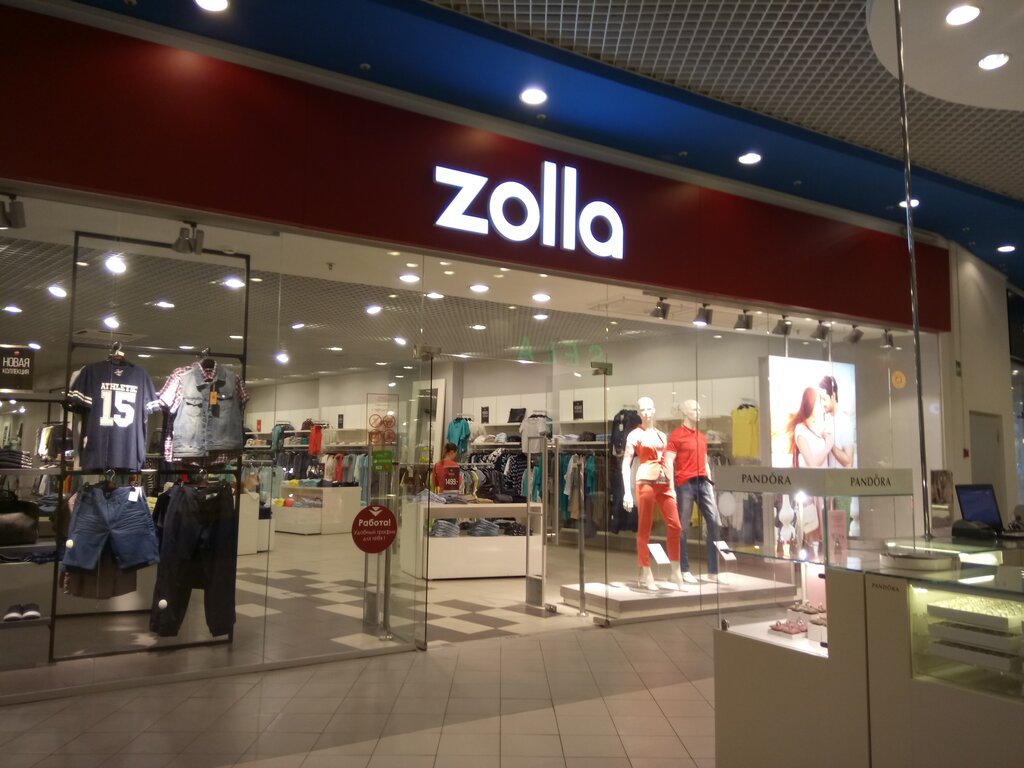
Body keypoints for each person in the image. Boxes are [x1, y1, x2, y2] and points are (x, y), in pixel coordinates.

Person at [621, 397, 686, 591]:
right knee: (645, 527)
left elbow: (668, 462)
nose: (647, 413)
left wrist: (672, 487)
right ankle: (646, 570)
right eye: (643, 410)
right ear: (639, 413)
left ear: (654, 410)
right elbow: (626, 463)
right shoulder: (634, 435)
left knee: (675, 525)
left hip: (664, 482)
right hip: (645, 481)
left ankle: (676, 570)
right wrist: (627, 493)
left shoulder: (661, 435)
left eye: (649, 409)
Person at [666, 399, 722, 582]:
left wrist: (710, 484)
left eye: (699, 409)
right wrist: (671, 488)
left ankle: (713, 571)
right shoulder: (676, 436)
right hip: (685, 484)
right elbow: (668, 462)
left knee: (714, 522)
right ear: (684, 411)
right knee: (682, 527)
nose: (698, 412)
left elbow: (704, 461)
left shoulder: (701, 437)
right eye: (694, 409)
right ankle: (684, 569)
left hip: (703, 482)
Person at [786, 387, 833, 467]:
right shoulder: (800, 429)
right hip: (812, 475)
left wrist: (824, 436)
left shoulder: (816, 427)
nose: (822, 405)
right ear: (811, 404)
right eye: (819, 402)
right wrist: (827, 447)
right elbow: (812, 465)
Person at [819, 375, 855, 467]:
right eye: (820, 399)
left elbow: (849, 462)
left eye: (824, 399)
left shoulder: (845, 421)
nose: (822, 403)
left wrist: (829, 443)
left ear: (833, 396)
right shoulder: (826, 420)